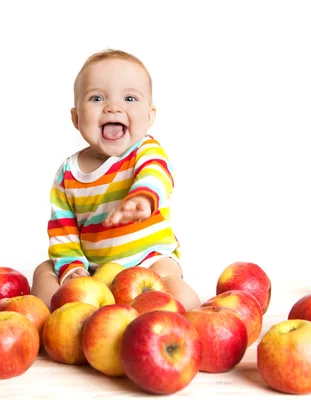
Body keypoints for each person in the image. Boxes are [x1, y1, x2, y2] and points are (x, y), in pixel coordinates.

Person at [31, 49, 201, 312]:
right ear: (76, 118)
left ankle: (147, 317)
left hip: (148, 262)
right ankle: (68, 312)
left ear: (150, 116)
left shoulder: (145, 151)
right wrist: (73, 269)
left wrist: (143, 197)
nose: (113, 107)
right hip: (94, 271)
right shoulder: (67, 173)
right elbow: (63, 232)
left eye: (130, 98)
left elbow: (156, 173)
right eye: (96, 98)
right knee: (43, 273)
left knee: (180, 293)